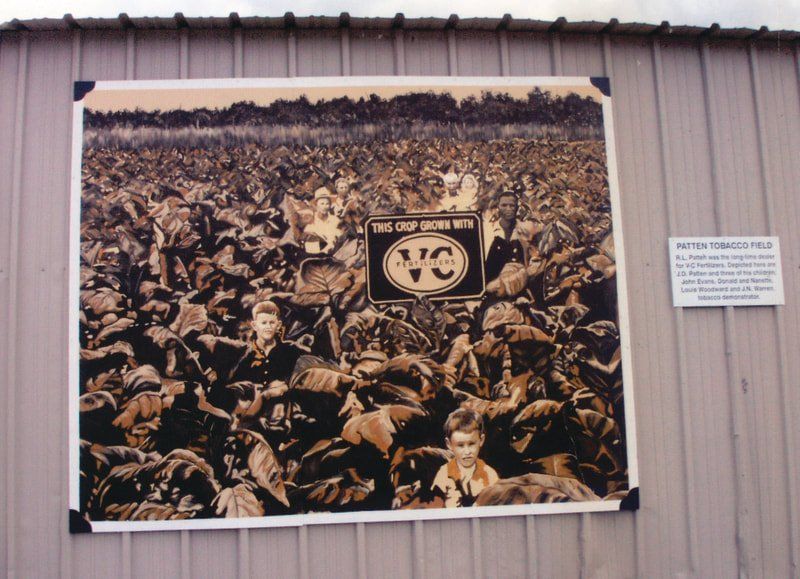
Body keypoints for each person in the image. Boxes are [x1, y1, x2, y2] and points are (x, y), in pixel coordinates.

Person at [432, 408, 499, 507]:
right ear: (449, 444)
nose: (467, 452)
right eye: (460, 445)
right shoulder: (444, 474)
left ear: (481, 440)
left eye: (471, 444)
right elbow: (434, 506)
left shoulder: (490, 475)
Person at [482, 190, 529, 282]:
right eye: (504, 205)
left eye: (512, 205)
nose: (508, 209)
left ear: (517, 208)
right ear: (498, 207)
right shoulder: (488, 230)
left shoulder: (525, 230)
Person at [303, 186, 343, 254]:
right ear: (316, 205)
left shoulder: (335, 219)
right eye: (322, 203)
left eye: (327, 204)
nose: (325, 206)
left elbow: (342, 236)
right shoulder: (310, 225)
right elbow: (313, 252)